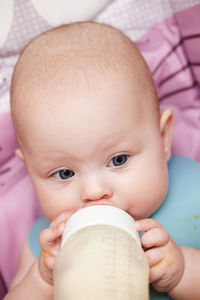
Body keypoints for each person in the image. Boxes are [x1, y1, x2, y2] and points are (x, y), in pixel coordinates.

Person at [4, 21, 200, 299]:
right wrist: (42, 280)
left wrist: (184, 272)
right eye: (64, 174)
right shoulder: (47, 248)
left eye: (118, 159)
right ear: (30, 170)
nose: (94, 192)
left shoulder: (194, 189)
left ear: (163, 138)